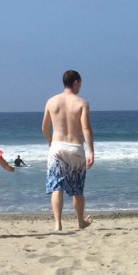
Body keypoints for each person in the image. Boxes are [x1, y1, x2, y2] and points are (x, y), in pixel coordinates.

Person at [41, 69, 94, 230]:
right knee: (77, 188)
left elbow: (44, 128)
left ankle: (58, 223)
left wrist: (51, 142)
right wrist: (91, 150)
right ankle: (80, 221)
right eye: (80, 84)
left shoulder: (51, 101)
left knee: (57, 186)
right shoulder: (81, 103)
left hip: (57, 147)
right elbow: (86, 128)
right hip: (75, 148)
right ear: (76, 82)